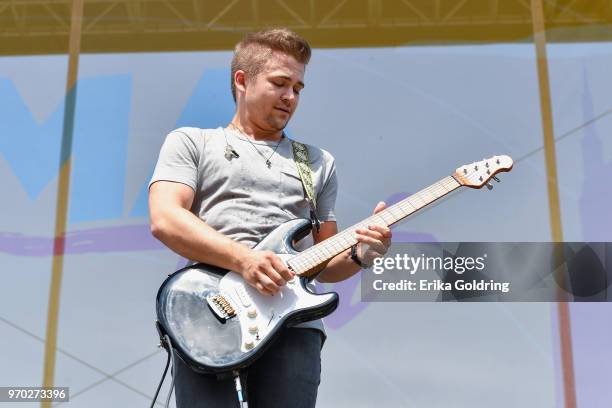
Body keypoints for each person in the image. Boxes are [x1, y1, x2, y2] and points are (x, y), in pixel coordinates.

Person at [148, 28, 391, 408]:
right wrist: (244, 260)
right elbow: (165, 218)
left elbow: (325, 262)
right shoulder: (192, 142)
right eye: (280, 84)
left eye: (298, 87)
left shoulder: (317, 163)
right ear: (242, 81)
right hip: (208, 314)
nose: (291, 97)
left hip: (293, 326)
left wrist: (362, 254)